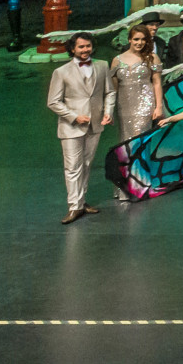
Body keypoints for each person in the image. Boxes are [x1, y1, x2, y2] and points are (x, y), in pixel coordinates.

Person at [47, 33, 115, 224]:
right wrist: (74, 117)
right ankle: (74, 206)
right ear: (72, 49)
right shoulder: (61, 72)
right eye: (81, 47)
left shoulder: (102, 65)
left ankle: (82, 201)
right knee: (72, 167)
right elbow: (53, 102)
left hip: (95, 125)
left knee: (86, 165)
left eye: (88, 46)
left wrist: (108, 111)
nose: (85, 50)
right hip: (71, 127)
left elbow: (110, 91)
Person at [111, 25, 167, 141]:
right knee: (126, 138)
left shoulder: (152, 57)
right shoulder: (117, 60)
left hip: (145, 104)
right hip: (124, 105)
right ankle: (129, 159)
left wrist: (159, 107)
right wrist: (109, 110)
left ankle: (140, 159)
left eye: (143, 39)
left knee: (140, 137)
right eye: (136, 39)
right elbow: (113, 88)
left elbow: (157, 83)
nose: (140, 42)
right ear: (129, 40)